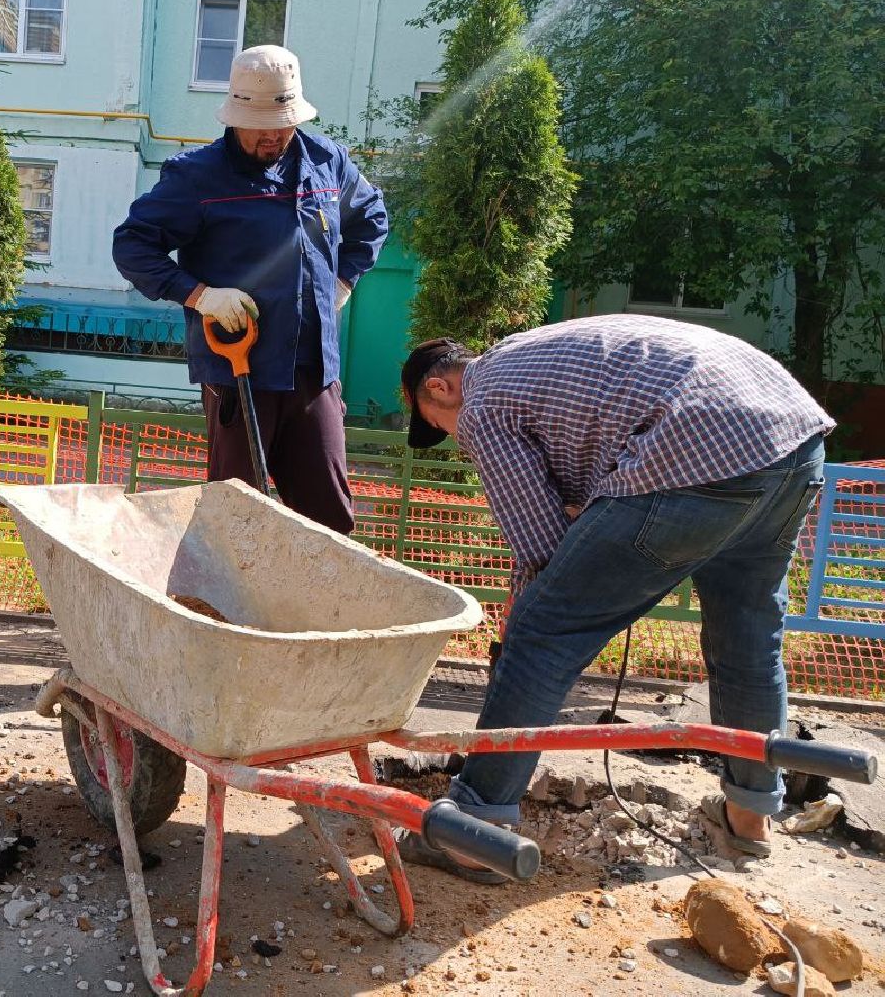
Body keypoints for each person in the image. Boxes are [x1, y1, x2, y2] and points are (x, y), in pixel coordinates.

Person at [399, 315, 832, 877]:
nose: (457, 441)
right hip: (791, 439)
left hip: (696, 444)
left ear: (440, 388)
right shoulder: (530, 356)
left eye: (440, 426)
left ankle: (473, 831)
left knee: (543, 633)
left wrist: (522, 630)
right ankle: (749, 821)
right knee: (748, 638)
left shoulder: (481, 401)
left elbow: (541, 548)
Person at [113, 45, 388, 534]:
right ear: (235, 115)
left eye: (283, 121)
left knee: (328, 520)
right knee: (237, 517)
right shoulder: (196, 177)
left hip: (314, 371)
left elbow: (371, 218)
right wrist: (198, 294)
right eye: (260, 122)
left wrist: (344, 279)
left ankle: (319, 610)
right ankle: (230, 611)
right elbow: (133, 245)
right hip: (240, 370)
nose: (274, 133)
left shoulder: (328, 162)